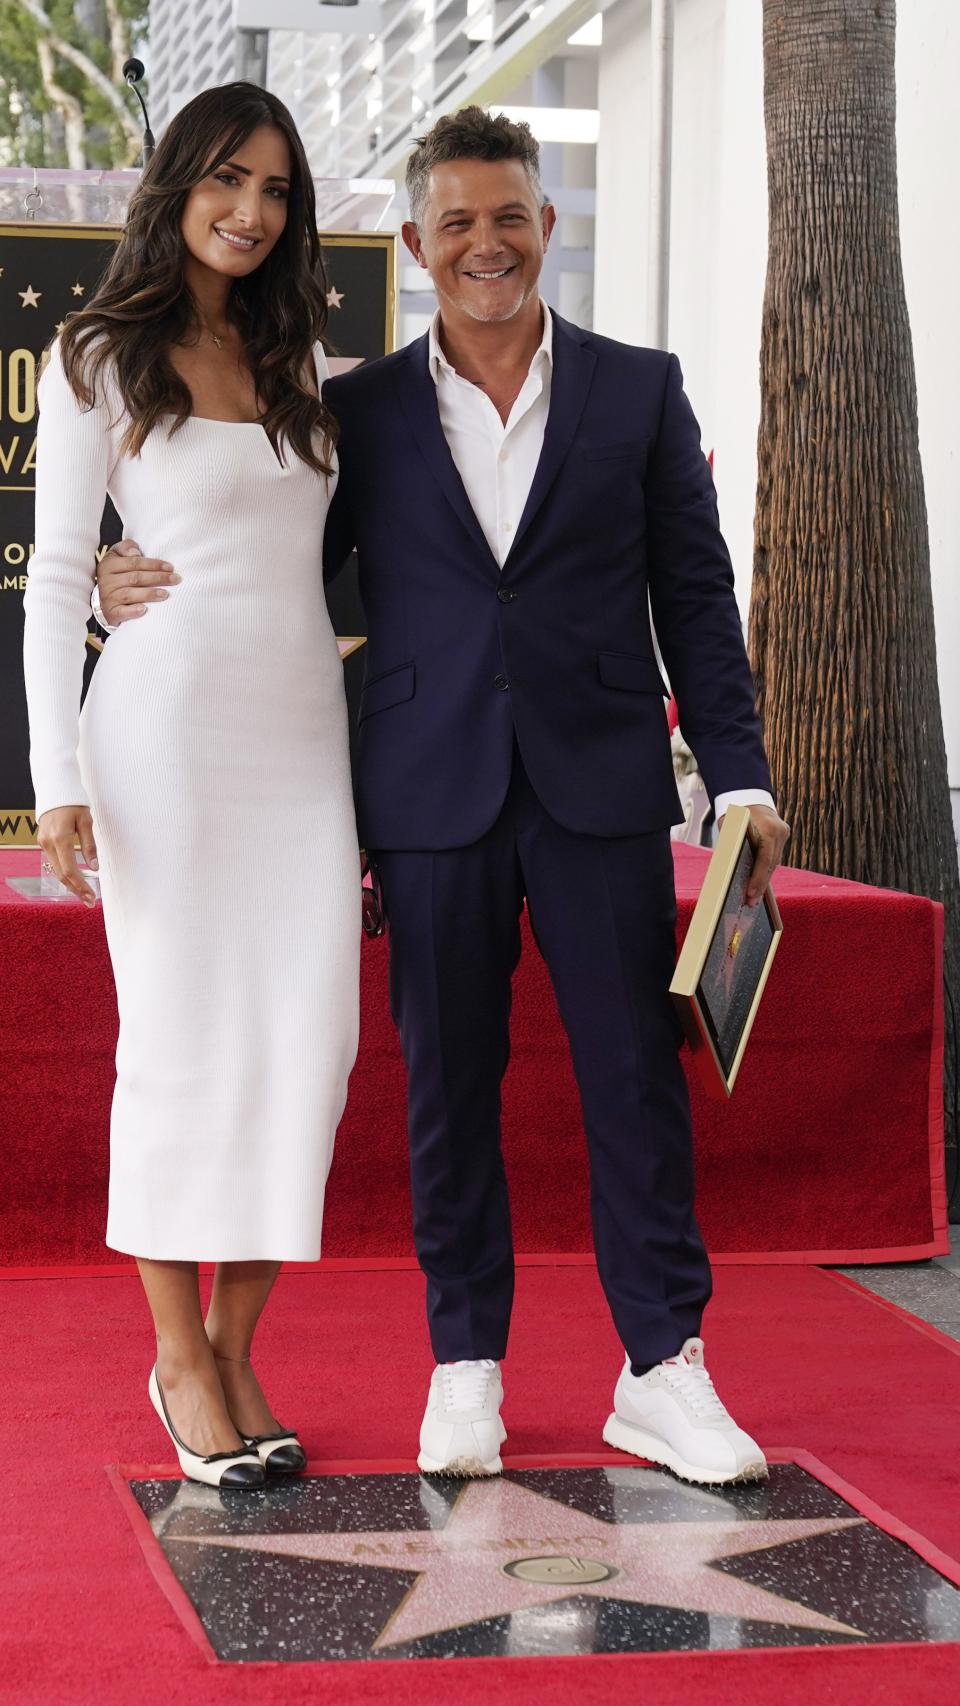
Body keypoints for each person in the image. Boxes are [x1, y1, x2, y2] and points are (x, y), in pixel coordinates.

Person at [96, 107, 790, 1487]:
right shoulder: (351, 411)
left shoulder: (641, 390)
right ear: (414, 244)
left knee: (634, 1090)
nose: (486, 242)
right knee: (445, 1096)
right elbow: (268, 552)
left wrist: (741, 772)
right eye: (456, 221)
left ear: (546, 228)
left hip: (598, 787)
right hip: (425, 793)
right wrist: (128, 574)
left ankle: (665, 1369)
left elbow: (698, 602)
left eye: (511, 216)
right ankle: (464, 1362)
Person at [24, 83, 361, 1489]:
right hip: (160, 734)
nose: (252, 210)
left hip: (301, 740)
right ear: (177, 185)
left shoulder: (303, 358)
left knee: (311, 1044)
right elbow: (54, 578)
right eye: (229, 179)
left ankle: (234, 1341)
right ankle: (178, 1357)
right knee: (175, 1043)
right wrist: (56, 779)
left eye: (276, 189)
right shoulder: (97, 353)